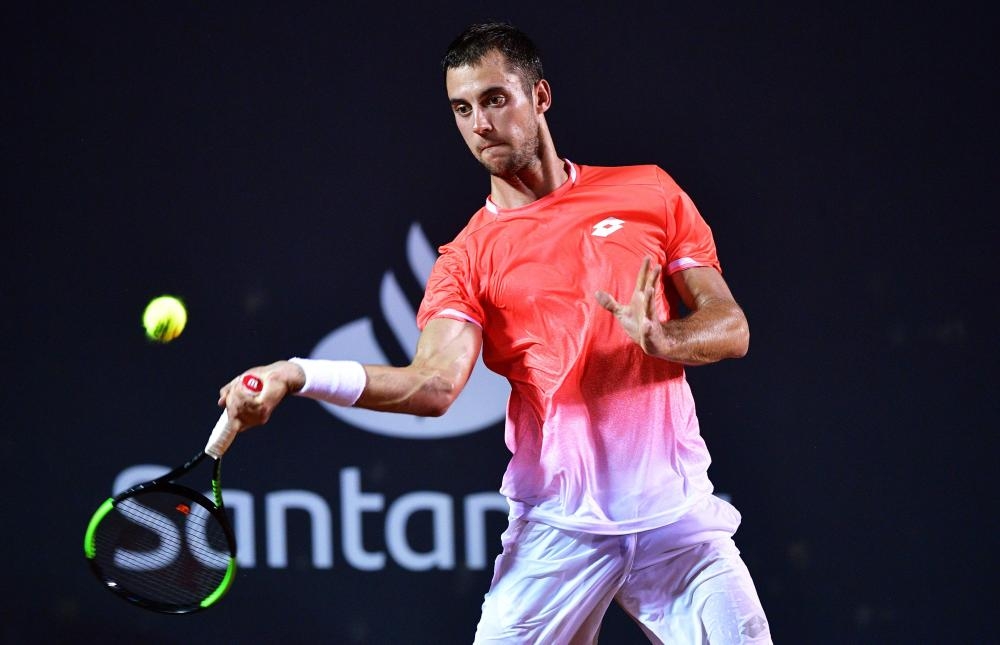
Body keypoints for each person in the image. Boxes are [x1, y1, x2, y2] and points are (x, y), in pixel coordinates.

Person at [218, 21, 771, 644]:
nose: (478, 123)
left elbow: (732, 328)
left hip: (678, 523)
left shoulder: (649, 191)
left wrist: (663, 341)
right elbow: (431, 386)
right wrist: (298, 374)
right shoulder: (465, 258)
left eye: (494, 99)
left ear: (540, 97)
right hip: (560, 530)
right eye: (461, 108)